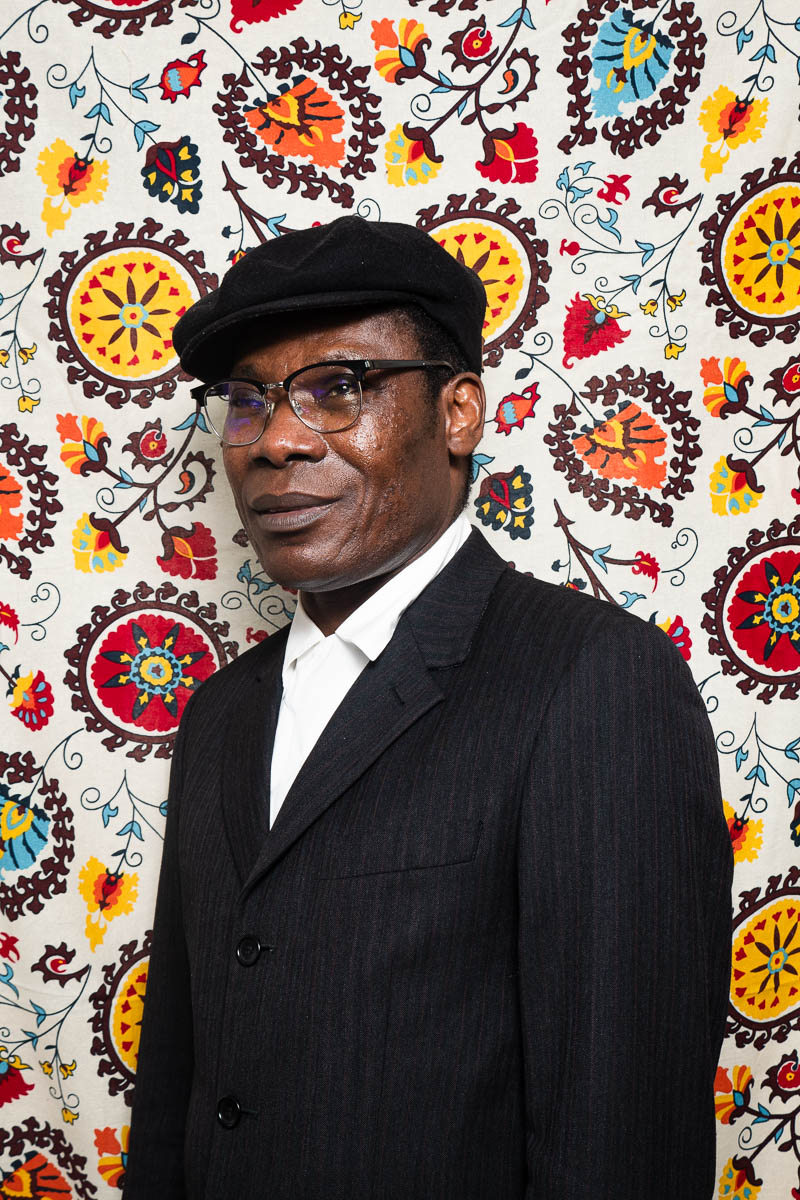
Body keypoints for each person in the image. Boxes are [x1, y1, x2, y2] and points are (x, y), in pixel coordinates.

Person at [123, 215, 732, 1200]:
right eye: (244, 401)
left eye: (339, 388)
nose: (275, 439)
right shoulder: (218, 714)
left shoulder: (594, 683)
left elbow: (622, 1144)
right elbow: (180, 1086)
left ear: (457, 414)